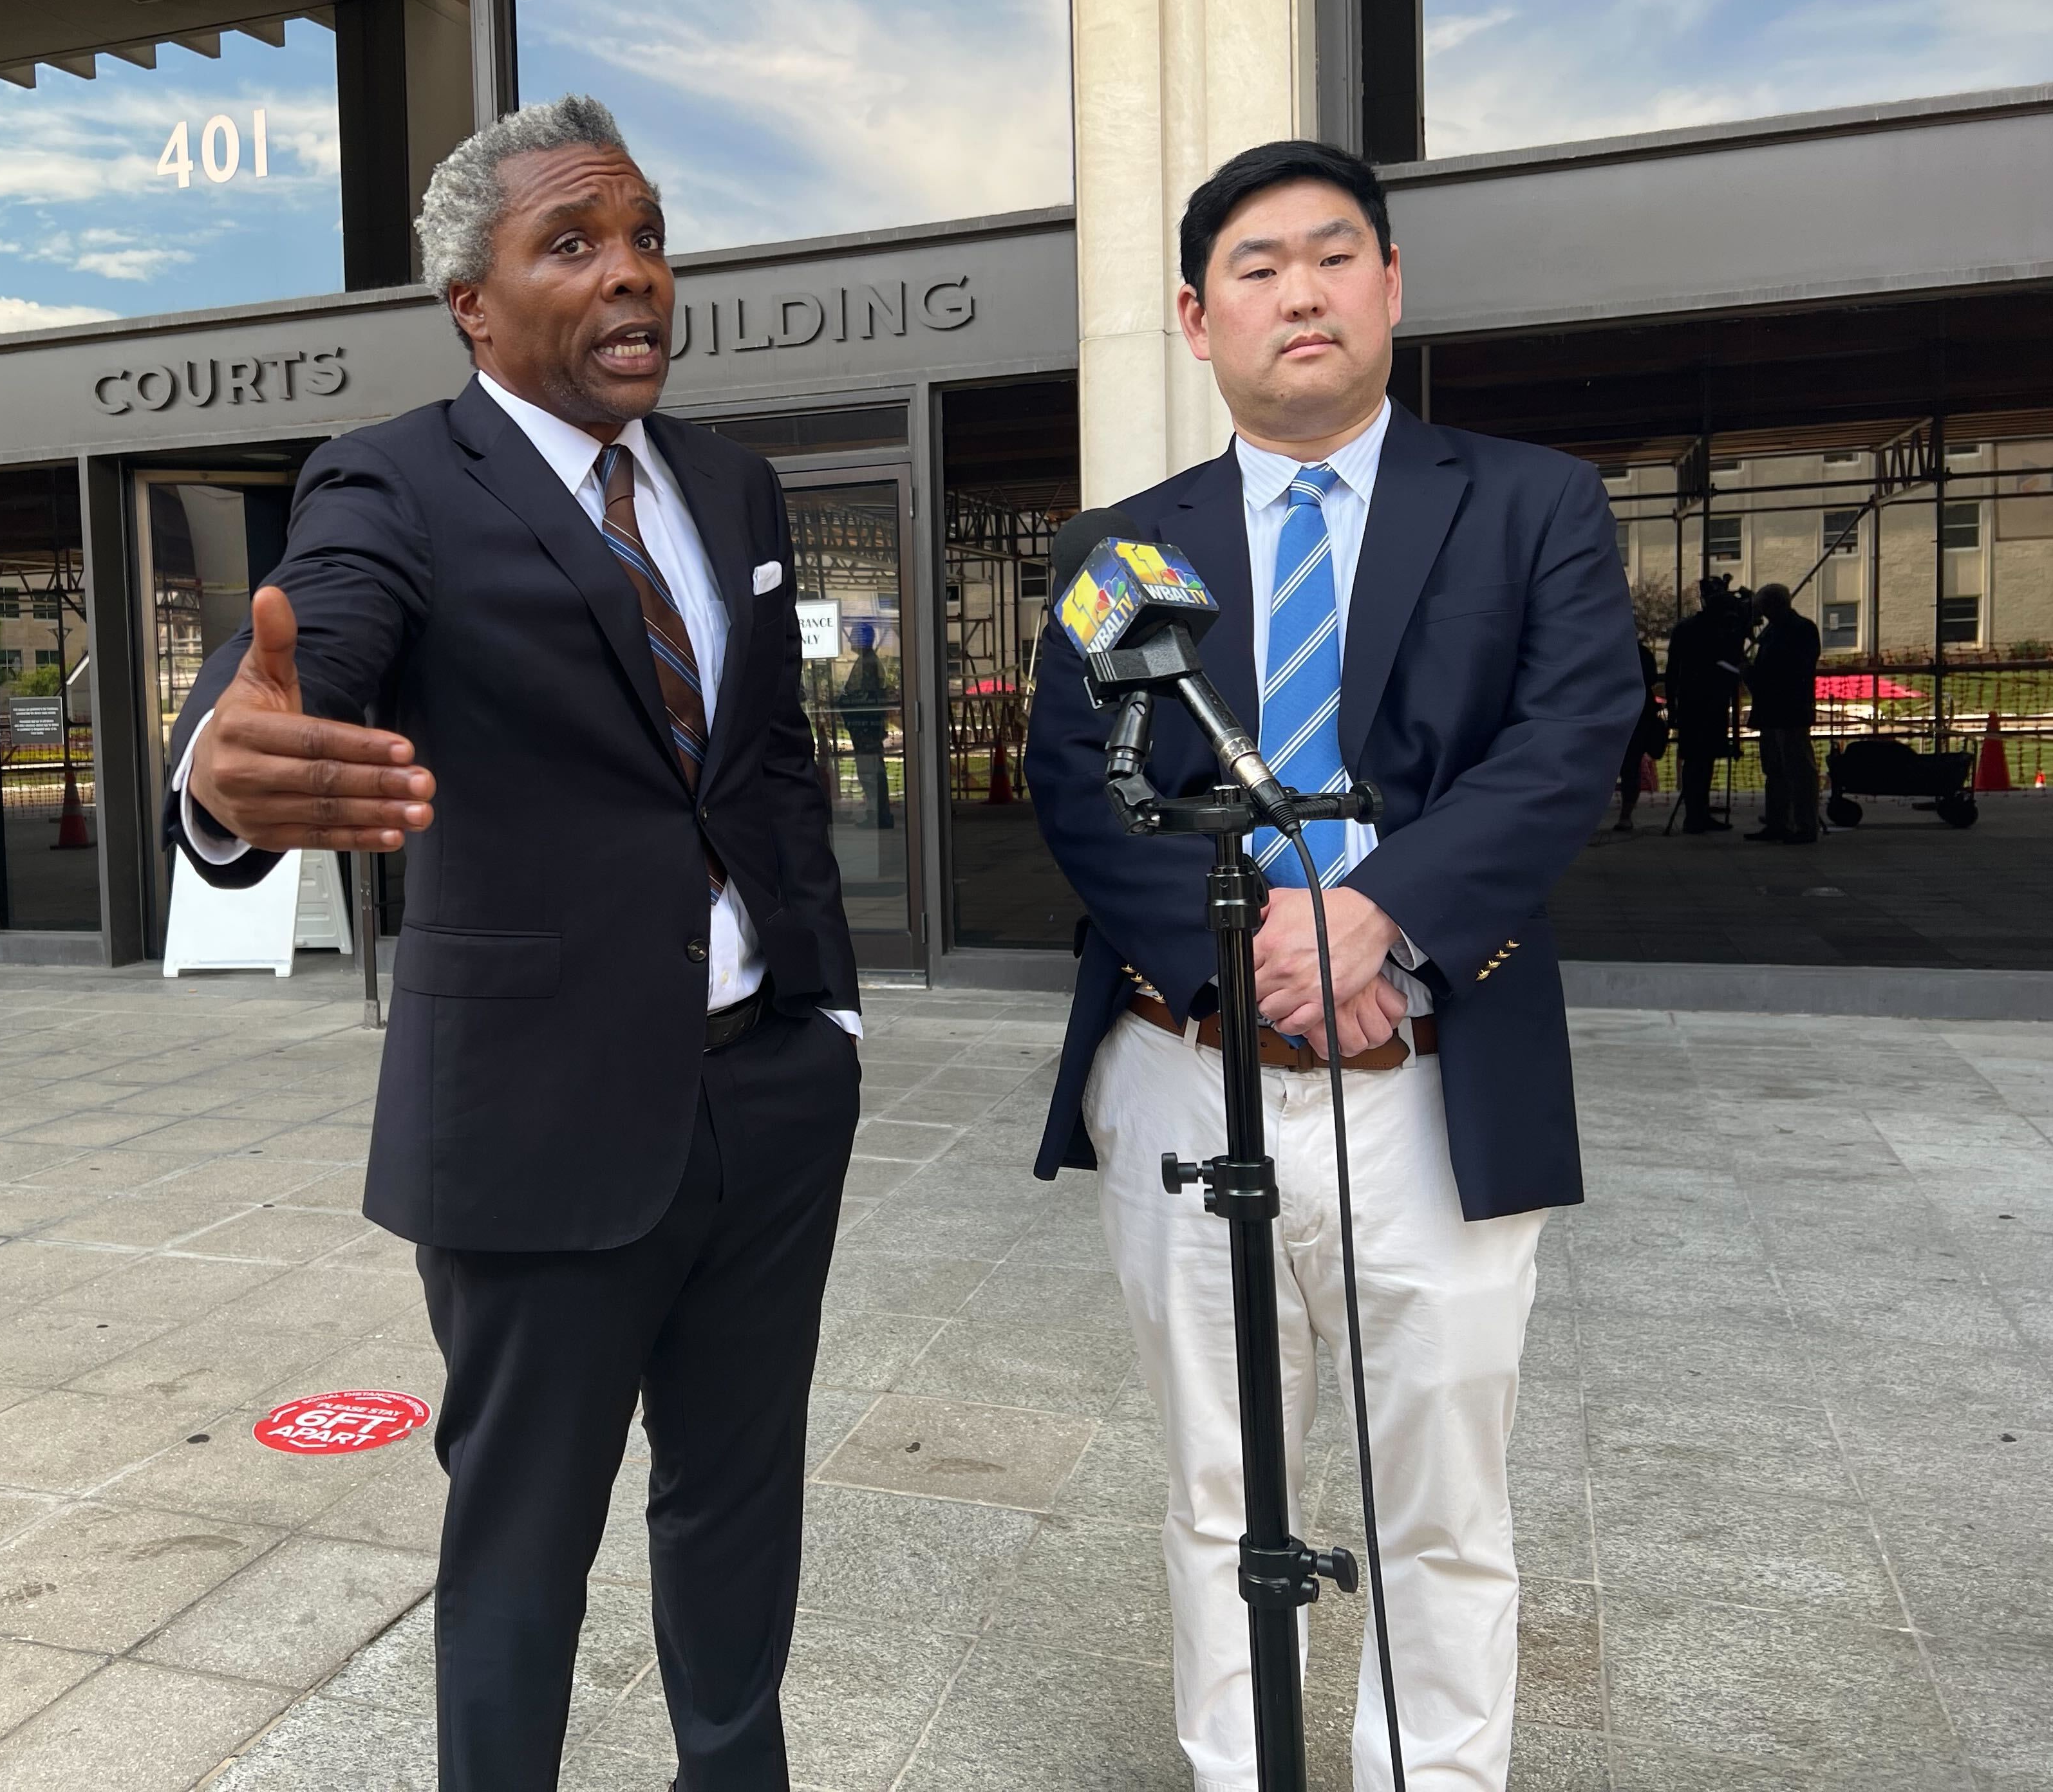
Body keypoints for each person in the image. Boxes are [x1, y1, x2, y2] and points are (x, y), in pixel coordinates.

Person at [167, 95, 862, 1792]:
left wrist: (827, 1017)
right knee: (521, 1546)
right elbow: (309, 645)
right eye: (575, 244)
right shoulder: (395, 481)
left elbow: (765, 764)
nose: (633, 274)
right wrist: (224, 761)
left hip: (766, 1096)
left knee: (740, 1504)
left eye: (647, 239)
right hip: (539, 1121)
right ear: (473, 305)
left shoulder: (731, 487)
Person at [1024, 139, 1639, 1792]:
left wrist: (1380, 914)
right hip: (1185, 1067)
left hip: (1433, 1075)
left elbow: (1570, 737)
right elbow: (1081, 788)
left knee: (1442, 1498)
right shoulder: (1118, 548)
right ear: (1194, 316)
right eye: (1256, 267)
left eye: (1332, 254)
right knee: (1220, 1488)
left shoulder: (1528, 504)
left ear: (1390, 285)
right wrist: (1249, 967)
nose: (1299, 291)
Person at [1664, 577, 1745, 833]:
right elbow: (1733, 657)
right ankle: (1696, 815)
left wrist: (1673, 706)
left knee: (1700, 759)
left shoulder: (1688, 628)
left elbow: (1672, 671)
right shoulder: (1715, 630)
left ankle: (1697, 813)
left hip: (1696, 703)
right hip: (1706, 702)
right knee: (1700, 760)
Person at [1746, 582, 1822, 843]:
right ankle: (1780, 822)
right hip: (1777, 710)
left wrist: (1751, 674)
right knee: (1777, 769)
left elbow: (1786, 671)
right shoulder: (1790, 629)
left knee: (1797, 769)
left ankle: (1803, 825)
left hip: (1788, 710)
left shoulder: (1796, 631)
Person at [836, 622, 895, 827]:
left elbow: (865, 698)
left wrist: (843, 701)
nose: (851, 641)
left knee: (871, 772)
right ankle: (878, 814)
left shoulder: (868, 663)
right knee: (870, 770)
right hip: (866, 727)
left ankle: (878, 816)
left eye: (855, 636)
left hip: (866, 728)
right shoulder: (867, 661)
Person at [1614, 640, 1665, 832]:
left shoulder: (1611, 654)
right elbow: (1651, 679)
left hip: (1617, 715)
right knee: (1631, 768)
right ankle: (1625, 816)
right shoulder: (1642, 654)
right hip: (1639, 716)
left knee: (1627, 767)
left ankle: (1624, 815)